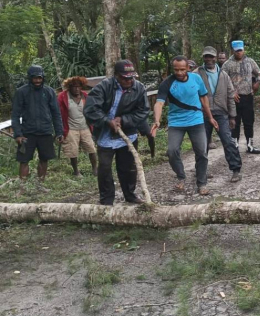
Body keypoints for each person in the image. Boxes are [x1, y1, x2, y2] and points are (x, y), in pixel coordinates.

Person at [83, 60, 149, 205]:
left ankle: (130, 195)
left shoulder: (139, 88)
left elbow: (143, 111)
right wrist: (107, 121)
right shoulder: (103, 87)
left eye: (131, 78)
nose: (129, 81)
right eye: (125, 78)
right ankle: (106, 200)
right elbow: (90, 109)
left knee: (128, 167)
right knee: (105, 168)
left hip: (128, 135)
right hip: (106, 135)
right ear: (117, 76)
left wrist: (124, 120)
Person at [152, 56, 219, 195]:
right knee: (172, 151)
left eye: (182, 69)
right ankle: (181, 176)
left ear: (188, 68)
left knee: (201, 152)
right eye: (176, 70)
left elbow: (204, 98)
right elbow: (159, 103)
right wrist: (157, 120)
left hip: (196, 121)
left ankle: (201, 183)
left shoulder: (196, 79)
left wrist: (210, 117)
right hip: (176, 122)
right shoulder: (167, 83)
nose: (179, 72)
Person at [11, 65, 64, 184]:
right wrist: (18, 134)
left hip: (45, 132)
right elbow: (15, 115)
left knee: (44, 159)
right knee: (24, 160)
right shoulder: (21, 92)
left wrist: (59, 132)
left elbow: (56, 113)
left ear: (43, 78)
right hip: (27, 133)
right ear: (30, 78)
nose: (37, 81)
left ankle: (40, 184)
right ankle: (23, 186)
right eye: (35, 78)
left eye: (39, 78)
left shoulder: (49, 91)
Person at [197, 46, 242, 182]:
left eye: (211, 56)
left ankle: (235, 170)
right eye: (206, 56)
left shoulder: (223, 75)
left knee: (228, 141)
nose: (209, 59)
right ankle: (201, 171)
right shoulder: (196, 74)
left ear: (215, 58)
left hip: (221, 113)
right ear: (203, 58)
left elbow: (230, 95)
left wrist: (232, 116)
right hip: (203, 114)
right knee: (202, 144)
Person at [222, 40, 260, 154]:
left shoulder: (250, 61)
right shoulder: (227, 64)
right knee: (235, 122)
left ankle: (250, 146)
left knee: (249, 122)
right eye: (237, 51)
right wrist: (231, 93)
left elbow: (259, 73)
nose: (239, 52)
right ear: (233, 51)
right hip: (234, 98)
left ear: (244, 49)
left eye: (240, 50)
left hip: (248, 96)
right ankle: (235, 146)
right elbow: (222, 80)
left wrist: (257, 83)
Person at [57, 76, 97, 177]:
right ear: (69, 87)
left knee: (91, 148)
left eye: (79, 87)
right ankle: (76, 171)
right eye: (74, 87)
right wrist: (60, 131)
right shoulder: (62, 97)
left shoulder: (85, 96)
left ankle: (95, 169)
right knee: (73, 151)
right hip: (70, 128)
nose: (77, 89)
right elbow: (58, 113)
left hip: (85, 127)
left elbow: (92, 111)